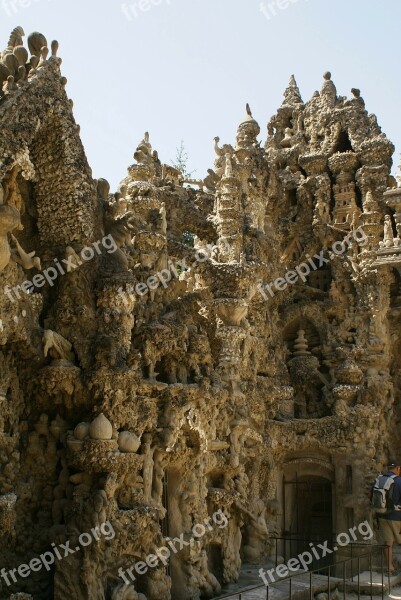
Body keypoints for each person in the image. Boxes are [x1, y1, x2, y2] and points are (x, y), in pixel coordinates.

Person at [375, 460, 401, 574]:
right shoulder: (399, 481)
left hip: (382, 516)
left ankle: (390, 567)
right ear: (397, 468)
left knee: (388, 543)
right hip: (397, 517)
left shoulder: (379, 480)